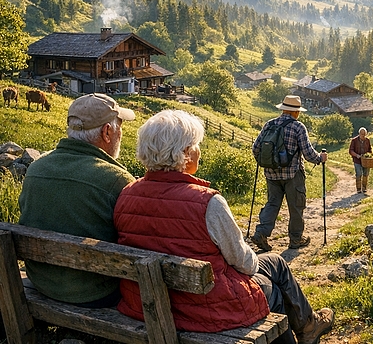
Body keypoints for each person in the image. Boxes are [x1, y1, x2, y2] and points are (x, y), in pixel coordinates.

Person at [114, 110, 334, 344]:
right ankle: (308, 327)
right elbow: (245, 263)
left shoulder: (126, 195)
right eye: (196, 145)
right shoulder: (207, 202)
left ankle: (308, 325)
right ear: (186, 154)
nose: (198, 150)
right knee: (273, 283)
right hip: (206, 309)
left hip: (144, 303)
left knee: (275, 266)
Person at [18, 93, 136, 307]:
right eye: (120, 127)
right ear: (107, 132)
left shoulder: (36, 169)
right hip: (94, 292)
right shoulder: (117, 180)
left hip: (42, 282)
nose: (122, 133)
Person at [251, 95, 327, 251]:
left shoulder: (269, 124)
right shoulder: (298, 127)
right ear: (296, 112)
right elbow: (308, 154)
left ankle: (261, 233)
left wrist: (267, 163)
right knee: (296, 206)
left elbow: (255, 148)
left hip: (271, 174)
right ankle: (295, 239)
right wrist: (320, 158)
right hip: (293, 175)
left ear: (283, 109)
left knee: (272, 204)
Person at [349, 127, 373, 194]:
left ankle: (364, 188)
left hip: (366, 160)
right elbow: (351, 150)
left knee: (366, 174)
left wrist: (369, 155)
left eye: (364, 134)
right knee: (359, 174)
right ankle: (358, 189)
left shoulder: (367, 140)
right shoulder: (354, 140)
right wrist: (357, 155)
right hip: (357, 160)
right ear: (359, 134)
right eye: (362, 134)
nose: (363, 136)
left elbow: (369, 149)